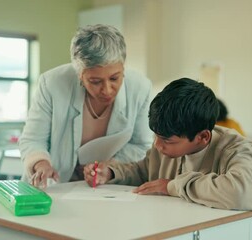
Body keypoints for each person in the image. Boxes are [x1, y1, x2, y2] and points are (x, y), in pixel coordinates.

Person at [84, 78, 252, 214]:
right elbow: (142, 172)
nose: (157, 145)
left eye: (167, 140)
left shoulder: (238, 149)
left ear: (202, 137)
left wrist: (172, 186)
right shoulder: (164, 148)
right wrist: (110, 173)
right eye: (155, 136)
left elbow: (241, 193)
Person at [19, 24, 153, 188]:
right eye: (95, 81)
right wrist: (41, 164)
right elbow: (33, 139)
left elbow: (140, 145)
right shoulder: (52, 84)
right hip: (53, 186)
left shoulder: (140, 88)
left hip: (107, 188)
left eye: (114, 78)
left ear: (123, 67)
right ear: (79, 75)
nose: (107, 90)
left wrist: (109, 167)